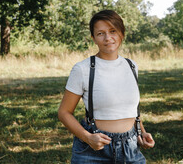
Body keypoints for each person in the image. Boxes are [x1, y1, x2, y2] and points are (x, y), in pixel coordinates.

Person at [58, 10, 155, 163]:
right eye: (100, 33)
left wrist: (141, 132)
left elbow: (130, 108)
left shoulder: (131, 66)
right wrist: (88, 138)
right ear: (93, 38)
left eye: (112, 31)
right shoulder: (82, 69)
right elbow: (64, 112)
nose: (108, 38)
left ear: (121, 34)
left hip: (130, 148)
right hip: (94, 149)